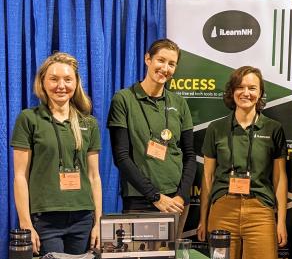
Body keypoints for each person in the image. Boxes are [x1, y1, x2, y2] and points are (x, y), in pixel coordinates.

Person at [11, 52, 102, 255]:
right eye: (54, 79)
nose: (61, 85)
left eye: (68, 79)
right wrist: (26, 223)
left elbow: (94, 177)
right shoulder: (29, 119)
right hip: (45, 220)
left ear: (76, 83)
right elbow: (20, 176)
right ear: (42, 82)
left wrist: (98, 222)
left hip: (83, 218)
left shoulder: (89, 123)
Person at [197, 66, 288, 259]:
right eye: (240, 87)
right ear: (232, 92)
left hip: (260, 211)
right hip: (223, 209)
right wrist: (203, 219)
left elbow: (280, 177)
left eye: (252, 88)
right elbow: (207, 176)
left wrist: (281, 221)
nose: (246, 93)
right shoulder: (216, 128)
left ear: (261, 93)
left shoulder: (274, 129)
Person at [108, 38, 196, 237]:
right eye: (161, 60)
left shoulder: (179, 103)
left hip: (176, 202)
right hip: (140, 199)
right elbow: (121, 157)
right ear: (148, 59)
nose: (165, 68)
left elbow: (190, 155)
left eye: (171, 64)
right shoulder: (123, 99)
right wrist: (155, 196)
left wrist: (181, 196)